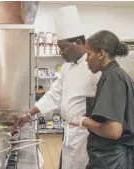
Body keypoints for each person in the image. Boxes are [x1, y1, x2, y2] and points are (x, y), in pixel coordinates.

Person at [10, 6, 100, 169]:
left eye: (63, 47)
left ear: (78, 43)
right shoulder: (67, 67)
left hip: (86, 136)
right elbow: (54, 94)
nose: (60, 52)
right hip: (69, 133)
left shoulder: (95, 68)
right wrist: (29, 115)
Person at [71, 30, 134, 169]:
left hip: (113, 161)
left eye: (89, 54)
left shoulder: (112, 77)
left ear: (101, 54)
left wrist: (85, 121)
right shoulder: (114, 74)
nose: (86, 59)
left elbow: (113, 131)